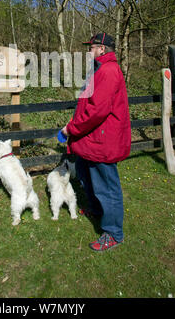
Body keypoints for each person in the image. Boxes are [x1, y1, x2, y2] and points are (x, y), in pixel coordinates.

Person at [61, 32, 131, 252]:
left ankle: (113, 233)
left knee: (106, 187)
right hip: (91, 139)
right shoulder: (98, 70)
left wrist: (71, 128)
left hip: (102, 140)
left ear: (102, 49)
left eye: (91, 47)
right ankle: (96, 209)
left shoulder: (109, 71)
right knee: (86, 176)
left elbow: (96, 111)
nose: (88, 51)